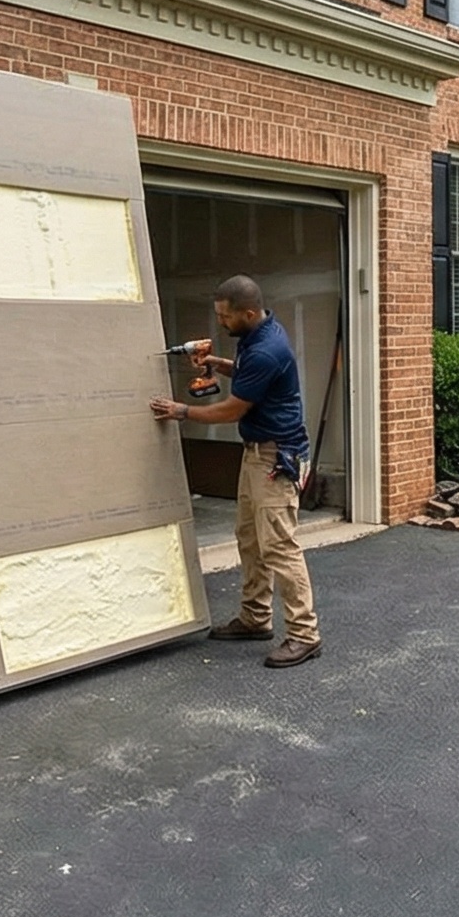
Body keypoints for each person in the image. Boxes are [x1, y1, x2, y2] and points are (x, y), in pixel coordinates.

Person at [150, 275, 322, 667]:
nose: (221, 323)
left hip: (276, 458)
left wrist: (182, 412)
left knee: (279, 545)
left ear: (248, 312)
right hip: (256, 453)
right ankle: (255, 618)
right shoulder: (255, 337)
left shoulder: (267, 350)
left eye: (225, 317)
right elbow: (246, 373)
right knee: (249, 537)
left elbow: (231, 410)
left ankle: (304, 634)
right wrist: (217, 364)